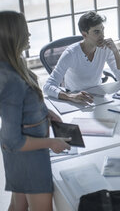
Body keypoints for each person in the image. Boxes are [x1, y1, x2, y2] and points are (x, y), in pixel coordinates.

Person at [0, 11, 71, 211]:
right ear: (13, 36)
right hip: (28, 155)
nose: (29, 35)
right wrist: (52, 142)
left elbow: (27, 98)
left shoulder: (15, 63)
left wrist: (44, 111)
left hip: (24, 153)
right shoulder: (10, 80)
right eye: (25, 31)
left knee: (18, 205)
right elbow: (12, 141)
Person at [43, 11, 120, 104]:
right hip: (76, 99)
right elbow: (47, 86)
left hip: (98, 97)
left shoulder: (105, 48)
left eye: (102, 30)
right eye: (96, 32)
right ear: (84, 34)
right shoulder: (70, 54)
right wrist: (70, 96)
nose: (102, 35)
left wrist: (116, 52)